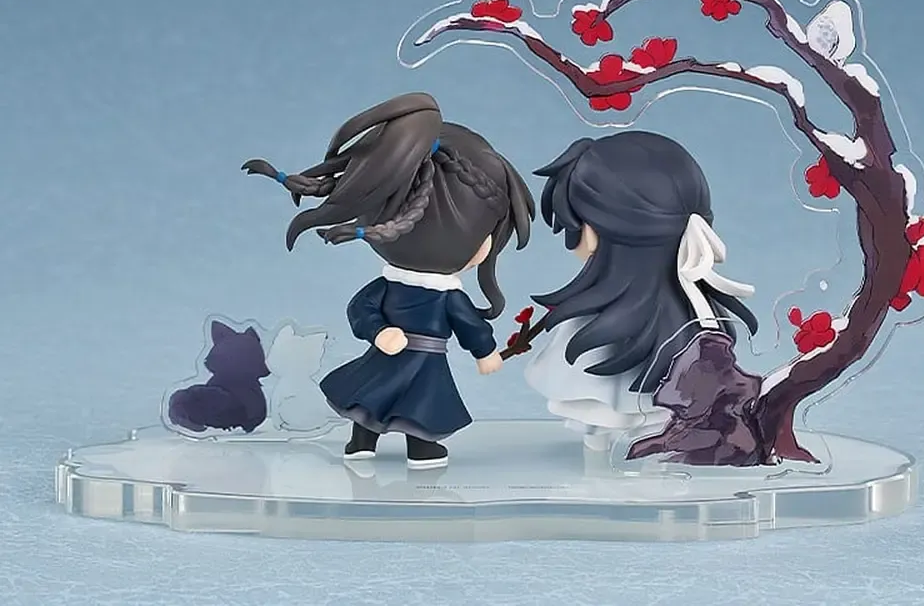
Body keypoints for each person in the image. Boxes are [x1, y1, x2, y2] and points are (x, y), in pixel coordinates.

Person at [243, 92, 534, 469]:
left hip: (416, 360)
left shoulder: (441, 293)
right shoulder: (434, 293)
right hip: (404, 357)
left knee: (403, 402)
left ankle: (405, 446)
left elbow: (467, 325)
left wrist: (484, 351)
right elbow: (365, 309)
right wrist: (380, 332)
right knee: (392, 401)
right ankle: (372, 442)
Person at [523, 131, 758, 452]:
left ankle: (607, 459)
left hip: (632, 412)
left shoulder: (592, 326)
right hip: (674, 412)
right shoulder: (698, 316)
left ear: (592, 233)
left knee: (601, 432)